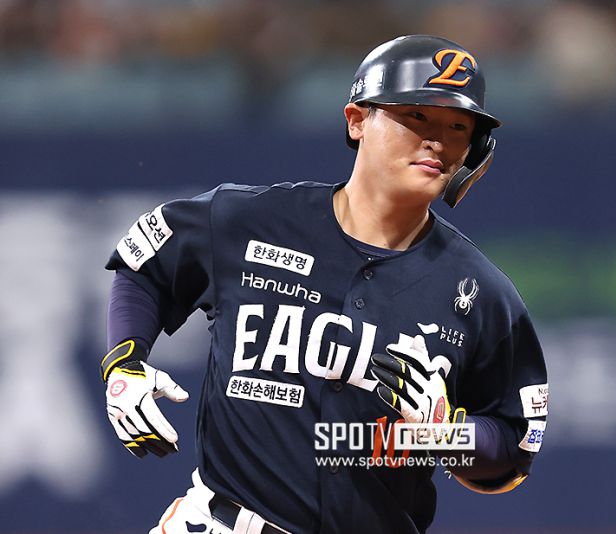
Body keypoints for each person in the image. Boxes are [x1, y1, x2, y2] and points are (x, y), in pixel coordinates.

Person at [101, 34, 548, 534]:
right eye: (416, 116)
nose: (437, 141)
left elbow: (513, 449)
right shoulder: (251, 221)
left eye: (458, 126)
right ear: (357, 120)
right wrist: (124, 363)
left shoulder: (480, 293)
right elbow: (147, 262)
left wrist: (447, 432)